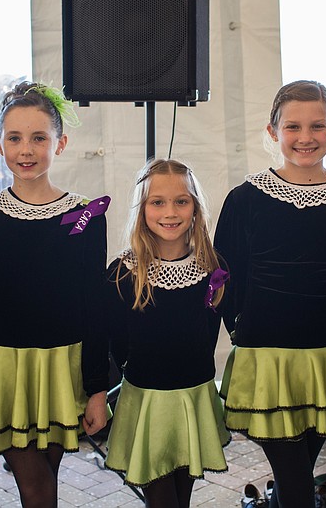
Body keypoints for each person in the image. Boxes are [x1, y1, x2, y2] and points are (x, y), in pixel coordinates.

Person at [0, 82, 109, 507]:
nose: (26, 149)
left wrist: (97, 389)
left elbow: (95, 307)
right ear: (0, 144)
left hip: (63, 369)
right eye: (15, 138)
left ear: (60, 143)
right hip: (4, 369)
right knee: (35, 486)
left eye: (39, 138)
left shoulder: (85, 216)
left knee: (47, 480)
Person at [214, 80, 326, 508]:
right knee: (295, 478)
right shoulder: (246, 198)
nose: (305, 137)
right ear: (272, 131)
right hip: (268, 357)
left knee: (300, 468)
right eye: (293, 126)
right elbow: (225, 276)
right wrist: (242, 326)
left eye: (317, 126)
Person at [104, 159, 231, 508]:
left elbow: (208, 332)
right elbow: (116, 341)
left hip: (194, 399)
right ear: (142, 208)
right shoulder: (123, 273)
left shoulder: (213, 269)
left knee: (181, 496)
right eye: (157, 202)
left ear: (195, 207)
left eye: (181, 201)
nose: (170, 212)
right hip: (147, 402)